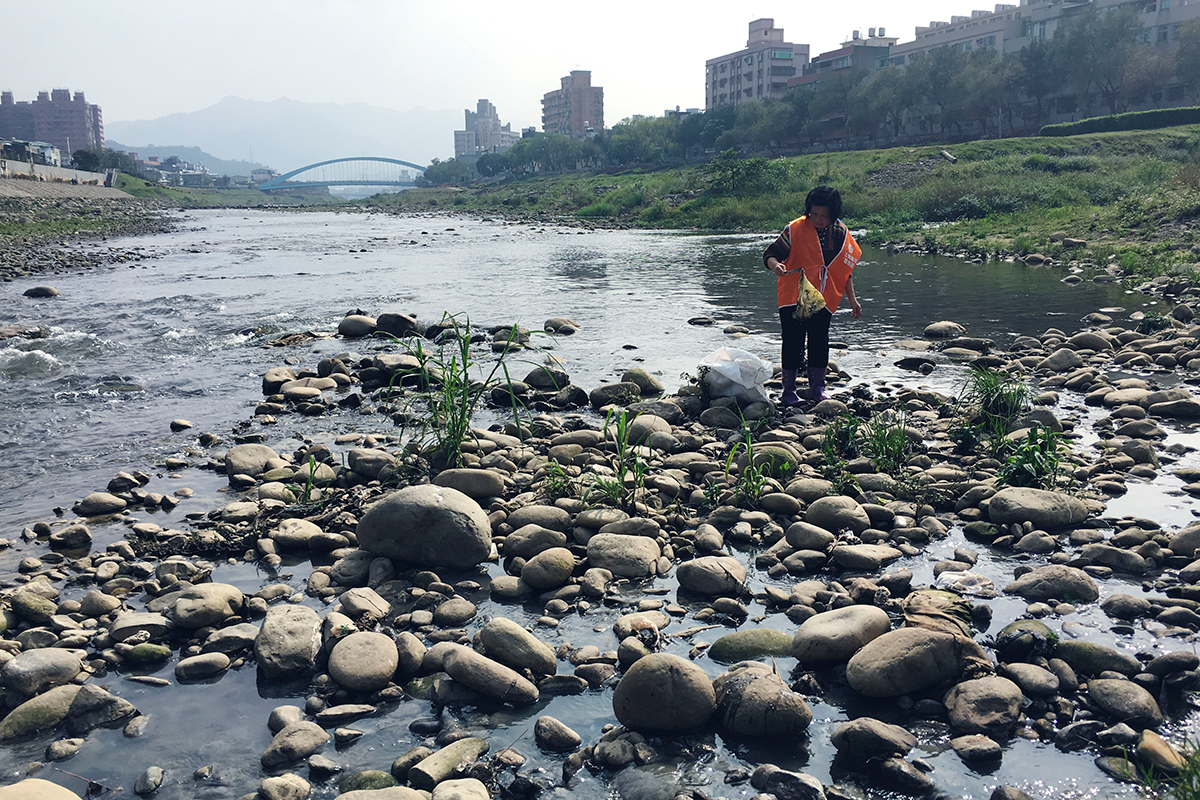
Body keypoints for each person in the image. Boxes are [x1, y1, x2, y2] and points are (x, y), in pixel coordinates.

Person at [763, 185, 862, 406]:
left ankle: (818, 389)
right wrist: (776, 265)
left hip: (823, 298)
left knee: (819, 341)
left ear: (833, 214)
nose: (818, 219)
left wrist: (852, 300)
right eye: (814, 213)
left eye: (824, 215)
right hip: (794, 296)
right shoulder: (794, 229)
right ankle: (788, 391)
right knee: (793, 342)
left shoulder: (840, 234)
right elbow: (771, 253)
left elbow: (844, 271)